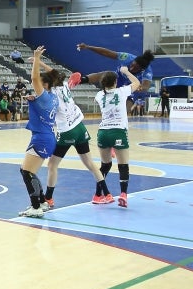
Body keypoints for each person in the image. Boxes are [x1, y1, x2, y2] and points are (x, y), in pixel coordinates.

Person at [32, 58, 112, 208]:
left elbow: (38, 79)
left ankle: (49, 197)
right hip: (80, 126)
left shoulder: (49, 96)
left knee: (52, 165)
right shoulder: (63, 85)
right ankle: (106, 194)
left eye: (43, 83)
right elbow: (53, 72)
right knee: (90, 163)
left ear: (47, 84)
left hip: (67, 131)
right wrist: (39, 61)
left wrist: (36, 62)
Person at [17, 46, 59, 218]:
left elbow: (34, 77)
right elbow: (54, 77)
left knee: (26, 172)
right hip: (46, 136)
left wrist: (36, 59)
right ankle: (41, 202)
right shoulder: (54, 97)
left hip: (42, 137)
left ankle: (36, 207)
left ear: (45, 85)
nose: (36, 86)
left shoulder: (45, 96)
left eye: (39, 85)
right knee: (29, 171)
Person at [95, 67, 142, 208]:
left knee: (105, 165)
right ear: (115, 82)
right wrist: (126, 72)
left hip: (103, 132)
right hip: (118, 131)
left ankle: (97, 195)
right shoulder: (121, 92)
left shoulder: (98, 95)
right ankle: (123, 195)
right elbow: (137, 83)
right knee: (123, 165)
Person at [69, 44, 154, 112]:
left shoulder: (148, 71)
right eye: (132, 65)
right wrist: (88, 47)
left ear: (142, 69)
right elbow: (106, 53)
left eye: (135, 68)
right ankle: (80, 80)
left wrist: (141, 88)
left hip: (130, 85)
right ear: (132, 61)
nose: (131, 68)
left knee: (127, 108)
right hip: (118, 78)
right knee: (106, 74)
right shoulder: (128, 57)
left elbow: (146, 85)